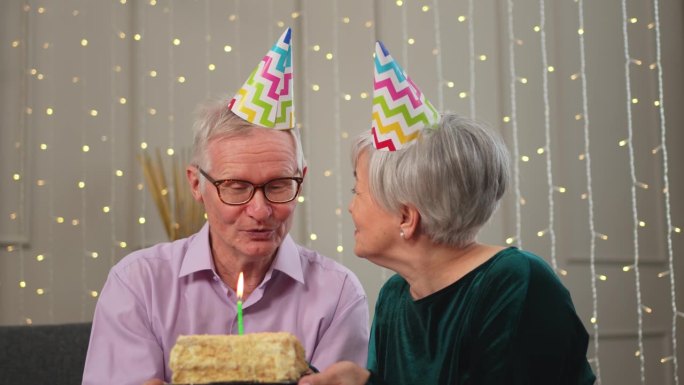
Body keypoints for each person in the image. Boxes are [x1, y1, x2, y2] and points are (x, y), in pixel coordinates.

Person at [83, 29, 370, 385]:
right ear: (196, 184)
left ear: (302, 179)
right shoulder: (138, 285)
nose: (261, 210)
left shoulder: (338, 294)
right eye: (236, 188)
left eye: (279, 186)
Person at [298, 42, 595, 385]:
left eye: (357, 192)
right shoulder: (396, 296)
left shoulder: (516, 282)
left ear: (406, 217)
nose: (350, 206)